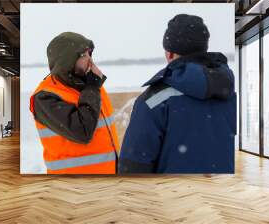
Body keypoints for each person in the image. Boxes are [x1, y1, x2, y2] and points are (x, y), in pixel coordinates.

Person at [118, 14, 236, 174]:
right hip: (222, 195)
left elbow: (133, 166)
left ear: (169, 53)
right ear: (204, 48)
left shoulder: (154, 100)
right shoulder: (227, 92)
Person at [30, 32, 119, 174]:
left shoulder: (91, 84)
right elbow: (83, 132)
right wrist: (92, 87)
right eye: (83, 55)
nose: (90, 59)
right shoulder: (45, 97)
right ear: (67, 61)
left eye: (89, 53)